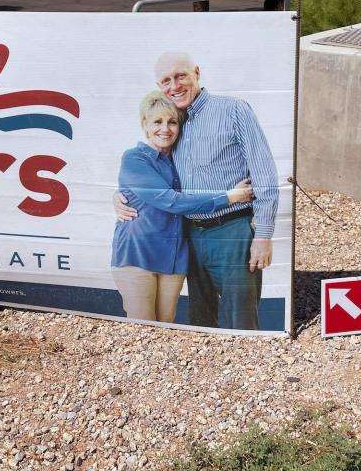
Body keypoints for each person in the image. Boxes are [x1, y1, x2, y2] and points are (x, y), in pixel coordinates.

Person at [116, 53, 279, 330]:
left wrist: (263, 235)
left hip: (231, 230)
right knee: (201, 319)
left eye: (180, 76)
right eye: (166, 81)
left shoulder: (233, 110)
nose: (175, 86)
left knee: (239, 317)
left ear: (197, 73)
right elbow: (157, 182)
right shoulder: (173, 121)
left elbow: (264, 173)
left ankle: (244, 370)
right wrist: (120, 196)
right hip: (188, 235)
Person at [111, 90, 254, 324]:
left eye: (172, 122)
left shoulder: (180, 161)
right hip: (137, 256)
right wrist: (228, 197)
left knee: (166, 327)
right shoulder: (135, 158)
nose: (165, 129)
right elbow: (171, 201)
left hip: (174, 259)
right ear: (145, 125)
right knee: (143, 328)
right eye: (157, 121)